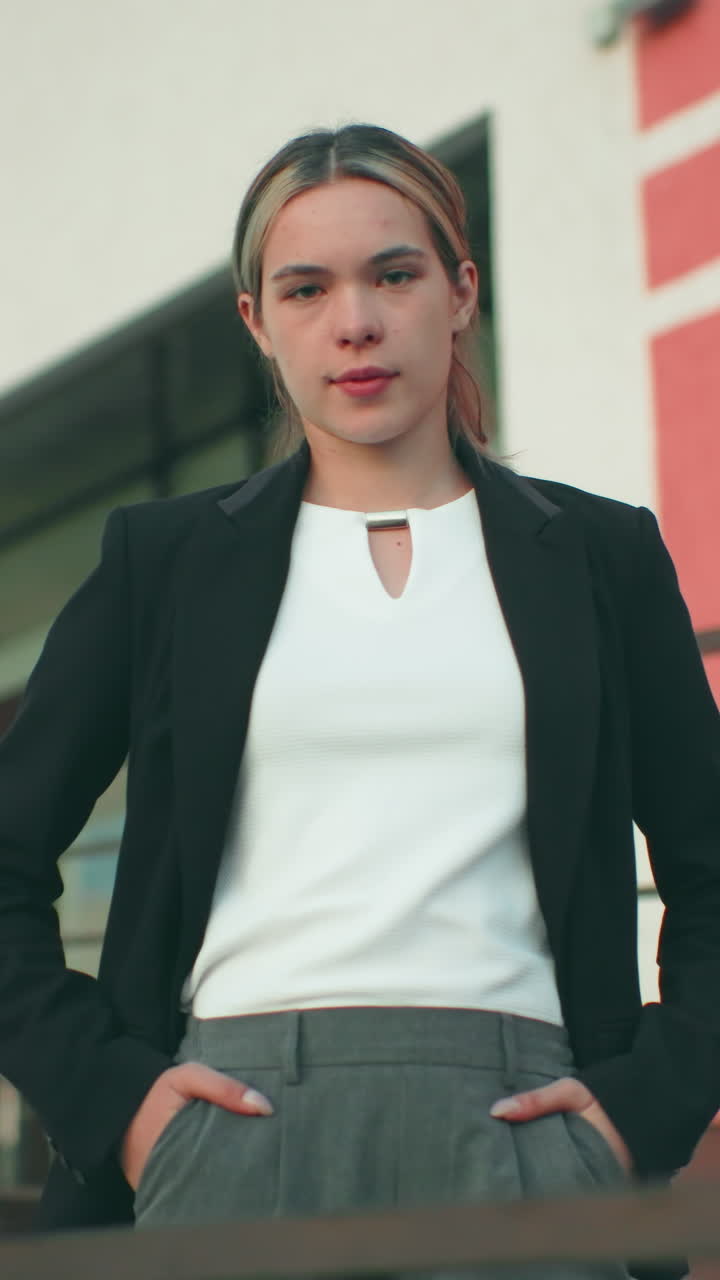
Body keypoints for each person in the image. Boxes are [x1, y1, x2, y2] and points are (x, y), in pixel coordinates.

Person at [0, 123, 718, 1280]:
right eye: (306, 287)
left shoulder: (598, 556)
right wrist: (116, 1100)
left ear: (460, 290)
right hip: (227, 1130)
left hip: (530, 1129)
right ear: (256, 322)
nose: (356, 322)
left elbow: (712, 860)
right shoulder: (168, 562)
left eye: (394, 272)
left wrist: (642, 1112)